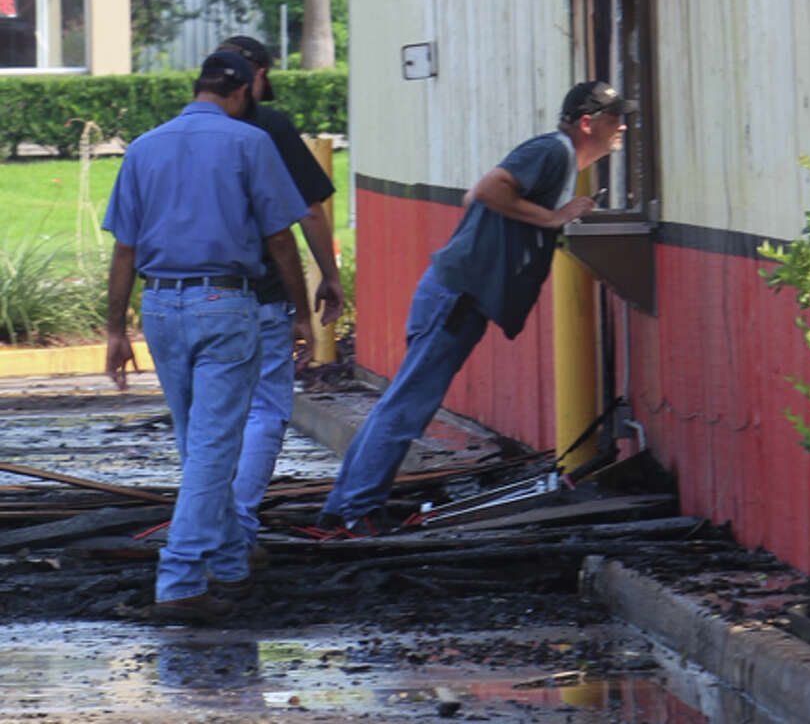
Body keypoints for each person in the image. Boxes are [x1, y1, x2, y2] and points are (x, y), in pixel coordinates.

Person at [317, 78, 632, 535]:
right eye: (615, 118)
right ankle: (355, 512)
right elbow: (487, 190)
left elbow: (476, 197)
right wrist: (554, 217)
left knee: (403, 403)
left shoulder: (555, 156)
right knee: (407, 407)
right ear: (588, 123)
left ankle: (344, 506)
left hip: (452, 293)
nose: (622, 127)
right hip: (456, 297)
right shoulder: (555, 151)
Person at [104, 49, 315, 624]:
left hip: (161, 307)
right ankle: (179, 577)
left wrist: (115, 330)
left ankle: (228, 561)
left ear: (197, 88)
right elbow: (279, 239)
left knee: (199, 443)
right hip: (225, 302)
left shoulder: (145, 147)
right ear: (244, 91)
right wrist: (302, 313)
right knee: (213, 449)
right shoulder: (250, 144)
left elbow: (124, 249)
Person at [213, 34, 345, 554]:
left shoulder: (177, 134)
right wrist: (328, 279)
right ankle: (239, 524)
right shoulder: (269, 128)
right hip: (262, 292)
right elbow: (306, 214)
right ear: (258, 77)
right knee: (267, 408)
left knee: (215, 415)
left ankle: (209, 521)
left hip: (191, 296)